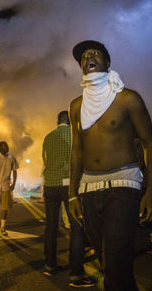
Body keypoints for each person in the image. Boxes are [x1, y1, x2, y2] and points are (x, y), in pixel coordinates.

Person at [68, 40, 152, 291]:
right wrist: (72, 195)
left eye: (95, 53)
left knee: (116, 260)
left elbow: (150, 144)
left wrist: (150, 192)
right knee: (107, 262)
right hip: (88, 189)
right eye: (83, 57)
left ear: (107, 62)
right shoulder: (76, 106)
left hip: (123, 185)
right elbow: (76, 151)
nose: (88, 58)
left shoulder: (127, 98)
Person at [41, 111, 98, 287]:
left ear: (57, 121)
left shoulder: (48, 137)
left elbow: (45, 160)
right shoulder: (75, 135)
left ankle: (50, 265)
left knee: (51, 227)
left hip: (50, 185)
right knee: (77, 228)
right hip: (69, 185)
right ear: (71, 122)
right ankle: (76, 274)